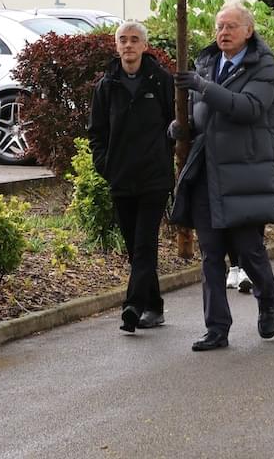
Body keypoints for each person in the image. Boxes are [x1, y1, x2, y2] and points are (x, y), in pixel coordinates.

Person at [172, 3, 274, 351]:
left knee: (249, 250)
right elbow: (199, 117)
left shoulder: (263, 66)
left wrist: (204, 87)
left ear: (248, 31)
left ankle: (267, 300)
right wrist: (180, 129)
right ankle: (216, 328)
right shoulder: (207, 64)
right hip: (207, 170)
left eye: (231, 26)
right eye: (219, 26)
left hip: (244, 174)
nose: (223, 32)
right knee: (211, 254)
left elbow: (248, 108)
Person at [87, 20, 175, 334]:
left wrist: (167, 158)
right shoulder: (106, 85)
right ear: (116, 46)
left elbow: (175, 124)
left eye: (134, 39)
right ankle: (155, 306)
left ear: (144, 46)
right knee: (133, 247)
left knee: (144, 246)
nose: (128, 45)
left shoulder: (161, 80)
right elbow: (96, 132)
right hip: (121, 178)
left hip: (154, 178)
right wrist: (105, 164)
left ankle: (133, 306)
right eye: (123, 39)